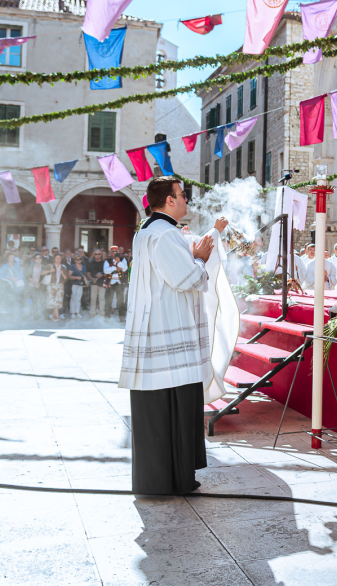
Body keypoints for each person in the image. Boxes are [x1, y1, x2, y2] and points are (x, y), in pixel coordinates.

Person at [120, 175, 227, 495]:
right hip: (167, 335)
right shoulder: (165, 235)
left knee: (160, 410)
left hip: (157, 330)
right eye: (181, 195)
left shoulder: (150, 231)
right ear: (169, 200)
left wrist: (197, 249)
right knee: (173, 406)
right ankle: (173, 480)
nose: (185, 201)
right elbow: (185, 277)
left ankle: (166, 479)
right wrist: (201, 259)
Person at [45, 253, 67, 321]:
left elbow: (66, 278)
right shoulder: (50, 266)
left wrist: (62, 273)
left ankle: (53, 317)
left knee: (57, 302)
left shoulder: (63, 267)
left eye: (59, 258)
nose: (58, 260)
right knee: (53, 302)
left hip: (60, 286)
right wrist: (50, 271)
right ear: (54, 259)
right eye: (57, 258)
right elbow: (42, 273)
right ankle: (57, 317)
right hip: (52, 285)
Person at [86, 249, 107, 317]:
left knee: (102, 298)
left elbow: (107, 273)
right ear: (93, 255)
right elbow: (88, 273)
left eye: (99, 254)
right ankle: (92, 312)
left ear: (101, 254)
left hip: (102, 282)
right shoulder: (91, 263)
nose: (97, 255)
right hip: (94, 283)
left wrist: (102, 275)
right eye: (96, 254)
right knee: (93, 298)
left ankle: (102, 312)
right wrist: (92, 278)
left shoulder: (104, 263)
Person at [67, 254, 87, 318]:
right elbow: (69, 276)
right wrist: (76, 277)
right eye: (77, 259)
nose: (79, 261)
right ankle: (72, 312)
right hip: (74, 284)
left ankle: (77, 312)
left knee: (78, 299)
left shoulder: (84, 266)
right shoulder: (72, 266)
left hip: (81, 284)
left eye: (80, 259)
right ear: (75, 260)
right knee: (73, 298)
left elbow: (84, 275)